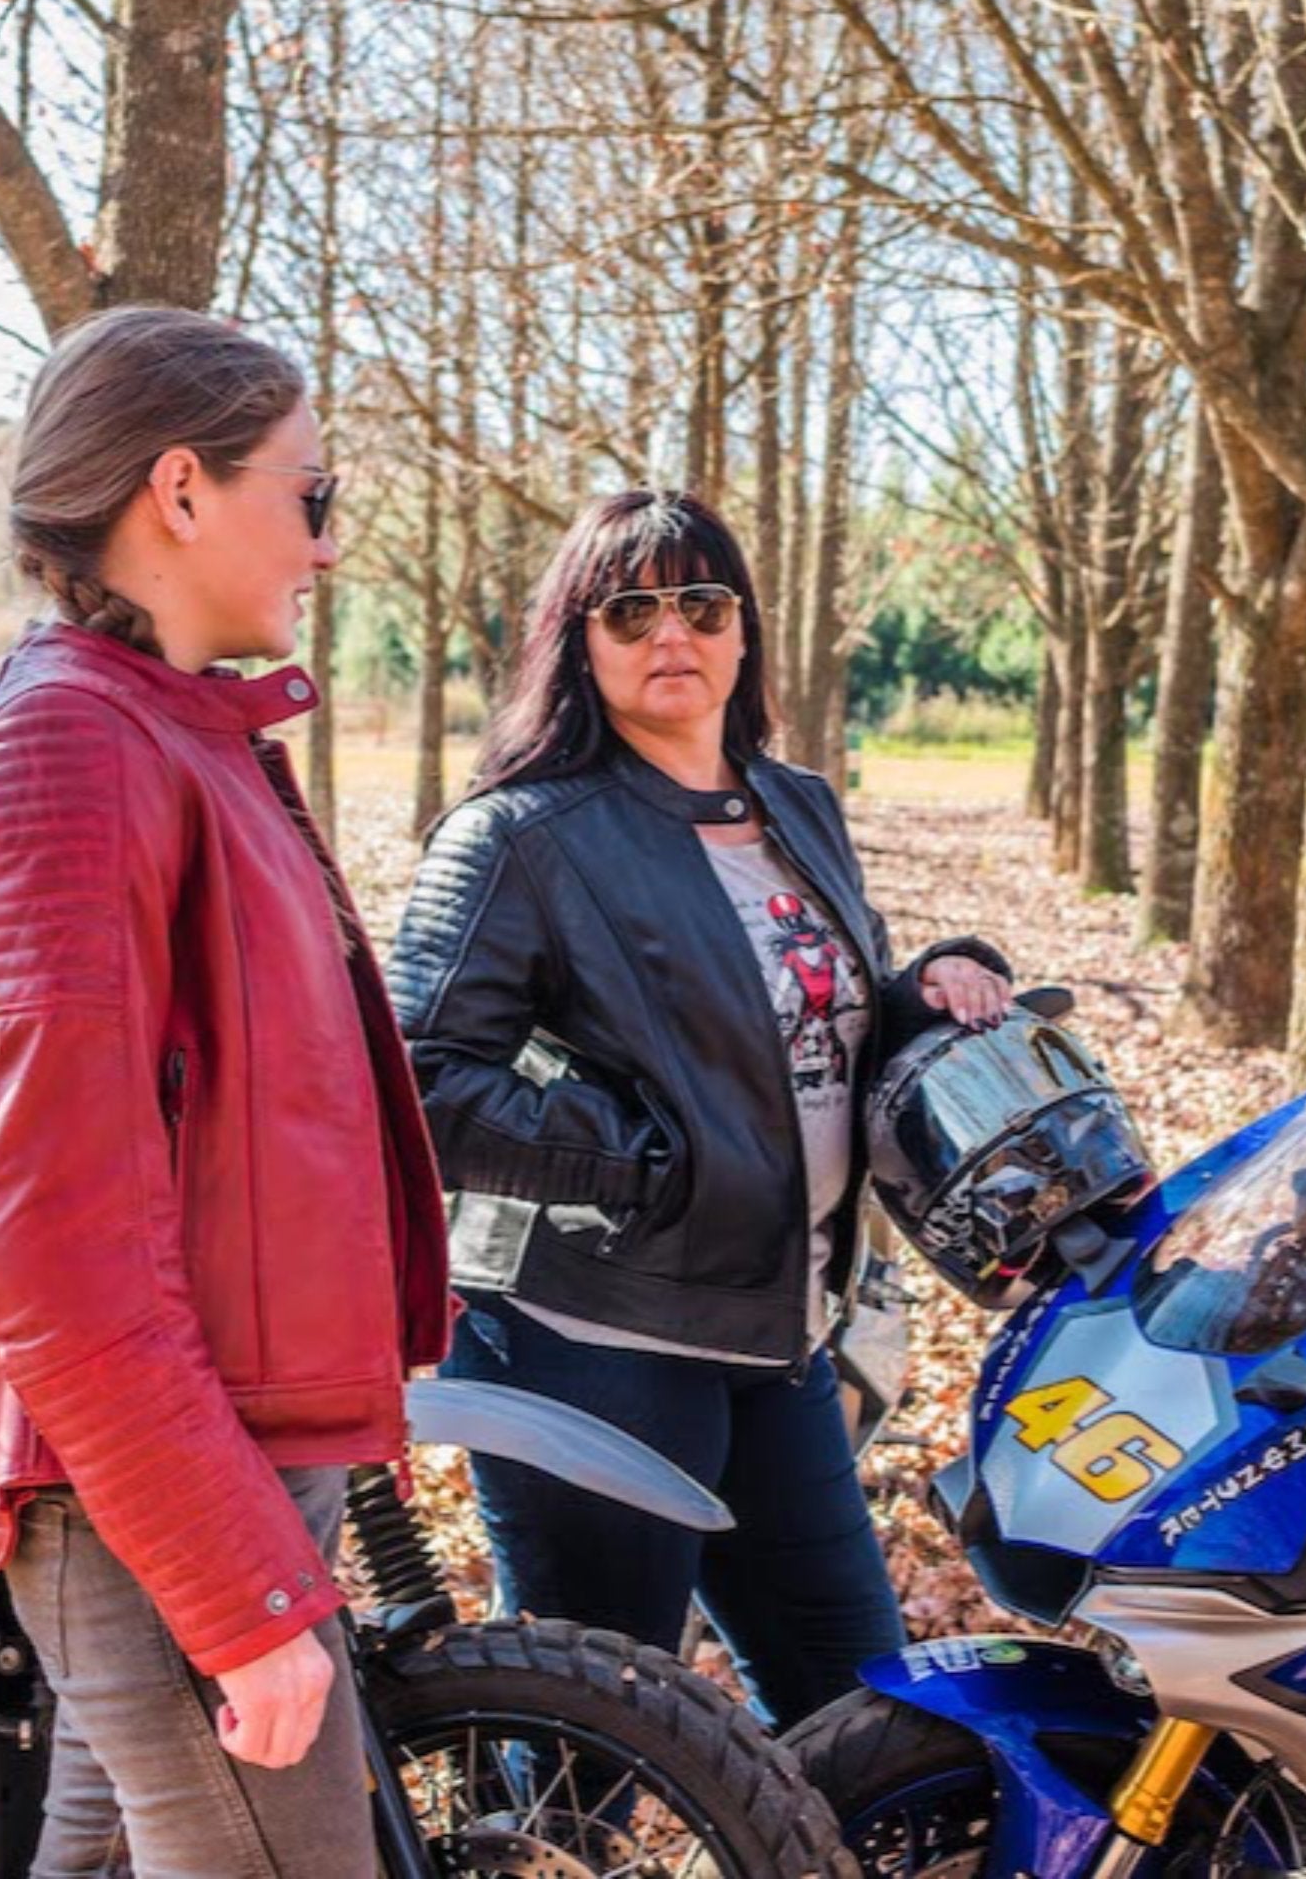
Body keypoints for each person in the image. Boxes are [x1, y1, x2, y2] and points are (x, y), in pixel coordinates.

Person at [0, 307, 452, 1877]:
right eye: (312, 496)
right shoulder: (70, 759)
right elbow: (51, 1246)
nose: (325, 548)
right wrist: (240, 1595)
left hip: (211, 1466)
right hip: (157, 1503)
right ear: (182, 492)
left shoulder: (164, 730)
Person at [388, 487, 1011, 1731]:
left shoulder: (795, 804)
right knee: (593, 1742)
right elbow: (418, 1076)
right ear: (581, 641)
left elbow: (787, 1022)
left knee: (859, 1714)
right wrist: (648, 1164)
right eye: (630, 608)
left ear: (742, 630)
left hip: (778, 1336)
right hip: (592, 1342)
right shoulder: (521, 834)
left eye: (700, 600)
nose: (670, 629)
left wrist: (926, 980)